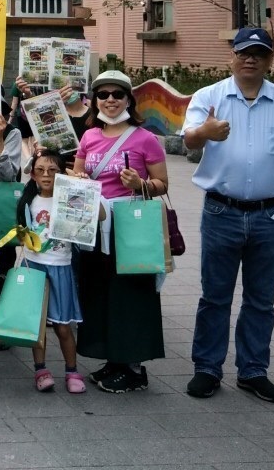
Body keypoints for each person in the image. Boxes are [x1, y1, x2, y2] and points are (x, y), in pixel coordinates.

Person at [182, 28, 274, 405]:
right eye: (244, 52)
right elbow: (189, 138)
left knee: (261, 299)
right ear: (232, 57)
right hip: (221, 210)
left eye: (259, 53)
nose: (250, 59)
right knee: (215, 296)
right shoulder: (210, 97)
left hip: (269, 214)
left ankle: (253, 370)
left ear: (270, 60)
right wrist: (205, 132)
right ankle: (207, 368)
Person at [71, 69, 169, 393]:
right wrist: (80, 182)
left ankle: (133, 367)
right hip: (96, 225)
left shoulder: (145, 138)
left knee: (131, 295)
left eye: (117, 94)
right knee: (99, 293)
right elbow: (77, 176)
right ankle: (112, 359)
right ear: (95, 100)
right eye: (103, 94)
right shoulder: (89, 137)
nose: (110, 100)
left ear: (129, 99)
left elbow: (162, 184)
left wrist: (139, 184)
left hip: (130, 225)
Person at [16, 149, 85, 393]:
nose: (46, 175)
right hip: (33, 266)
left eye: (53, 170)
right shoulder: (28, 200)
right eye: (40, 170)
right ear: (33, 175)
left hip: (60, 266)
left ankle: (72, 371)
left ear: (62, 172)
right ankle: (41, 370)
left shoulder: (71, 197)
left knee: (63, 326)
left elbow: (98, 215)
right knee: (36, 325)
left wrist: (83, 187)